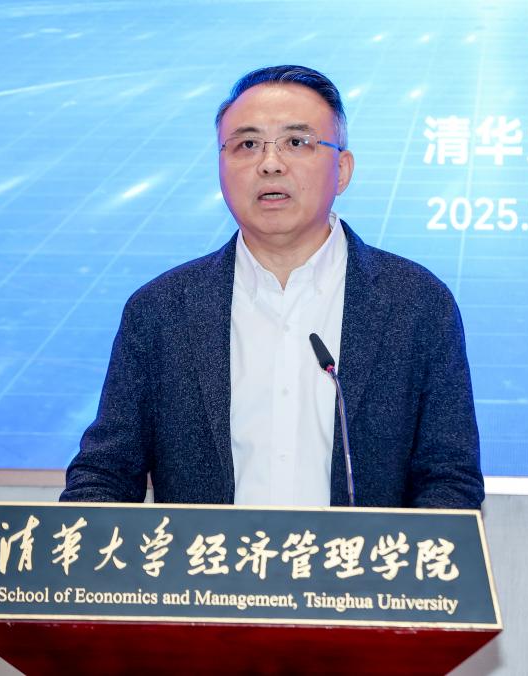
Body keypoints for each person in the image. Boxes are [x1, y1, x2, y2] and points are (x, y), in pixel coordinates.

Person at [60, 65, 483, 509]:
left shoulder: (416, 303)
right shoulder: (161, 310)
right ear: (220, 167)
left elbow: (449, 480)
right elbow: (105, 473)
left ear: (342, 170)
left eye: (296, 142)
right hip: (208, 558)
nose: (270, 163)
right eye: (247, 145)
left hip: (360, 558)